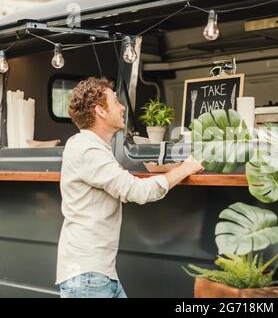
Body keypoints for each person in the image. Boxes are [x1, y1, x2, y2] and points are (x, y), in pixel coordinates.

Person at [56, 77, 204, 298]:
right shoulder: (87, 150)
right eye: (115, 101)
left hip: (98, 275)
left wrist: (168, 167)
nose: (122, 106)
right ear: (100, 111)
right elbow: (138, 191)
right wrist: (186, 168)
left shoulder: (90, 147)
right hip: (88, 278)